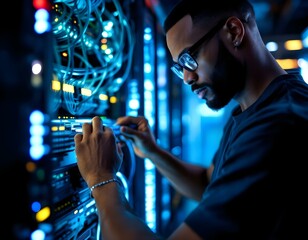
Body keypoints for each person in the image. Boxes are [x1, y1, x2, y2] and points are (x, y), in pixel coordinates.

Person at [74, 0, 308, 239]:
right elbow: (209, 184)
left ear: (234, 32)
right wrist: (153, 151)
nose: (186, 78)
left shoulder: (278, 125)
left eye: (189, 58)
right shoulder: (254, 107)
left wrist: (101, 179)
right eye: (179, 67)